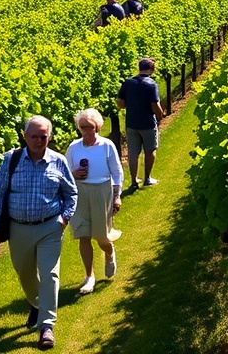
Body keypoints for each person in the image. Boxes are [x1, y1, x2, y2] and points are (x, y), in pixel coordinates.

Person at [0, 115, 77, 351]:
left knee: (49, 275)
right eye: (33, 136)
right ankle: (36, 303)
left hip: (50, 227)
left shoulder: (58, 161)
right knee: (25, 274)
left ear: (50, 137)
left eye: (43, 136)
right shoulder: (11, 159)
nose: (38, 141)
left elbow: (71, 194)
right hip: (19, 228)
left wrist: (64, 218)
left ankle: (46, 326)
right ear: (24, 136)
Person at [65, 109, 124, 295]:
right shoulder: (74, 147)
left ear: (97, 126)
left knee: (101, 236)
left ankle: (109, 252)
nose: (86, 131)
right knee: (83, 234)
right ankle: (89, 276)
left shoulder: (106, 145)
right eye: (82, 127)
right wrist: (74, 174)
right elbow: (65, 173)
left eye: (89, 127)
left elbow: (117, 172)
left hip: (102, 191)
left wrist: (117, 195)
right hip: (80, 192)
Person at [116, 57, 166, 191]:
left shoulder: (128, 83)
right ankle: (147, 178)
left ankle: (134, 181)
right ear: (152, 69)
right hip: (147, 124)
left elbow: (120, 102)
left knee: (133, 152)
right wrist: (160, 116)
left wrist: (130, 105)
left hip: (131, 123)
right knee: (150, 150)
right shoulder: (151, 84)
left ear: (139, 68)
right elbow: (155, 105)